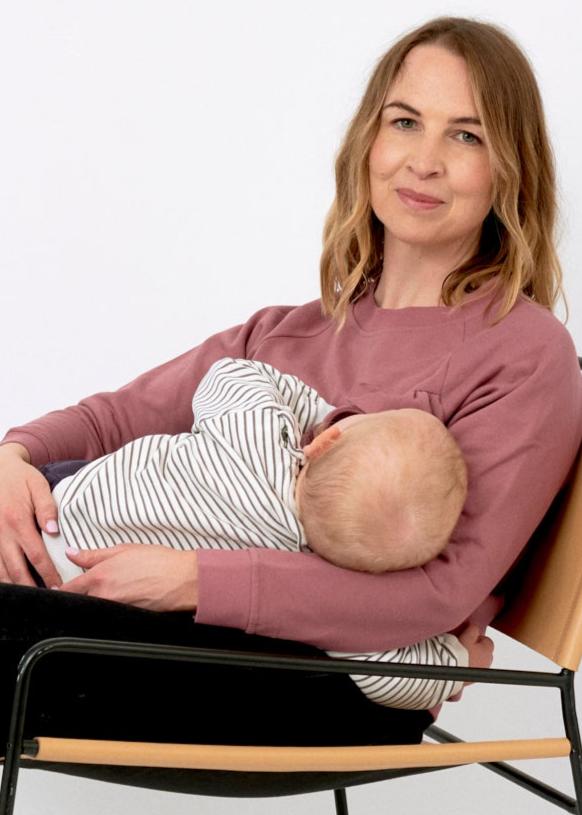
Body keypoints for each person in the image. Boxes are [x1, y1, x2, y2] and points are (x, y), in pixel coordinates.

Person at [1, 15, 581, 787]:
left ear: (511, 169)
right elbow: (117, 416)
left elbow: (443, 589)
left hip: (324, 684)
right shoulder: (291, 331)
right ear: (369, 141)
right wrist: (14, 456)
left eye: (467, 136)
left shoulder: (524, 351)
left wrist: (194, 579)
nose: (425, 161)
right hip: (176, 631)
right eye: (405, 122)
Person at [38, 356, 471, 711]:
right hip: (82, 598)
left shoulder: (255, 433)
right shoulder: (305, 578)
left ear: (325, 442)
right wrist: (459, 658)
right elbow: (394, 674)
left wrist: (318, 413)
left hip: (61, 508)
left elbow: (230, 373)